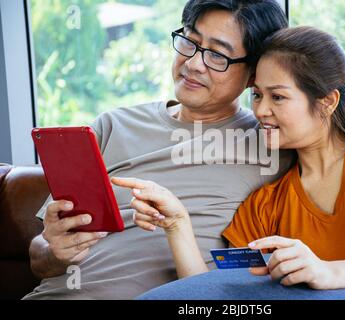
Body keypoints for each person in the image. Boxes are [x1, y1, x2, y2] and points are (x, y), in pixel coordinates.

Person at [129, 26, 345, 300]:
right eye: (256, 95)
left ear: (327, 102)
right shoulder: (264, 206)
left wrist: (327, 273)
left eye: (277, 97)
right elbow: (217, 295)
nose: (261, 110)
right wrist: (177, 224)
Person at [23, 0, 292, 300]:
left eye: (217, 55)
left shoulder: (272, 144)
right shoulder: (112, 126)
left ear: (254, 73)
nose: (192, 63)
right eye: (189, 42)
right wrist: (54, 251)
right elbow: (39, 257)